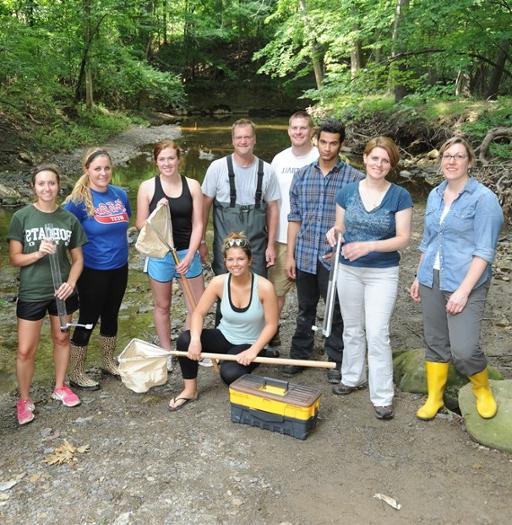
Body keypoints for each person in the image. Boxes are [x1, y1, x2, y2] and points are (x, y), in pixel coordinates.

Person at [410, 136, 503, 420]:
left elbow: (484, 251)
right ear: (440, 162)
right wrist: (418, 276)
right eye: (447, 156)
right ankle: (435, 398)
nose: (451, 161)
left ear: (469, 162)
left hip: (467, 281)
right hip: (431, 277)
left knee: (463, 349)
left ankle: (482, 389)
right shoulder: (436, 194)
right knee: (435, 341)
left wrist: (463, 291)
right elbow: (429, 240)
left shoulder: (483, 199)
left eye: (459, 156)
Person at [326, 137, 413, 420]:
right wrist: (334, 233)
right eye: (374, 158)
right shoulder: (347, 192)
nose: (379, 164)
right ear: (364, 159)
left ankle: (383, 395)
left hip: (382, 273)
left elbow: (402, 239)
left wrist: (369, 246)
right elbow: (340, 227)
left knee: (377, 332)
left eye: (385, 160)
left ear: (391, 165)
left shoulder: (400, 196)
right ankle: (352, 377)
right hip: (348, 269)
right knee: (352, 328)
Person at [284, 119, 364, 383]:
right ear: (316, 141)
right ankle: (300, 355)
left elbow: (360, 221)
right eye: (323, 142)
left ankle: (336, 360)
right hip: (305, 253)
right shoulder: (302, 176)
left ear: (341, 144)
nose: (327, 148)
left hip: (335, 259)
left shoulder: (355, 179)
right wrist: (290, 255)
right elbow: (294, 218)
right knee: (305, 308)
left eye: (334, 143)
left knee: (336, 310)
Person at [8, 165, 86, 425]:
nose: (46, 188)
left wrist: (72, 283)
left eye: (51, 183)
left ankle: (60, 387)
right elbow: (15, 258)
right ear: (34, 187)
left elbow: (77, 259)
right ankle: (24, 399)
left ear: (58, 185)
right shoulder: (22, 217)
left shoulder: (69, 220)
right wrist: (38, 253)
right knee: (25, 350)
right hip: (31, 292)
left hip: (61, 292)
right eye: (41, 184)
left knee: (62, 339)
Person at [169, 232, 278, 411]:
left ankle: (255, 361)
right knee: (185, 339)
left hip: (249, 343)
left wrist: (254, 350)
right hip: (225, 337)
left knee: (229, 374)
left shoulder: (265, 287)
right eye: (230, 260)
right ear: (225, 261)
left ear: (250, 260)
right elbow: (198, 313)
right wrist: (196, 340)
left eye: (240, 259)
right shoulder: (218, 283)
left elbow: (272, 325)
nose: (235, 264)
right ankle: (190, 390)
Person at [64, 148, 131, 390]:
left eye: (106, 168)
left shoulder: (120, 195)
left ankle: (107, 361)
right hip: (92, 270)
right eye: (97, 169)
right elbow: (61, 227)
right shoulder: (77, 201)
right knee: (88, 319)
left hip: (120, 266)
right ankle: (77, 372)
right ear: (87, 170)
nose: (103, 173)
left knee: (111, 315)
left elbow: (126, 224)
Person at [136, 140, 204, 369]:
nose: (167, 163)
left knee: (196, 305)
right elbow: (140, 225)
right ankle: (166, 351)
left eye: (171, 158)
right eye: (162, 159)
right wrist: (158, 211)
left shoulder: (193, 186)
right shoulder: (147, 187)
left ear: (178, 159)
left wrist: (190, 254)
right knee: (162, 305)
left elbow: (199, 224)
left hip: (187, 252)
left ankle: (188, 347)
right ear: (156, 162)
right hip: (160, 253)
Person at [200, 119, 280, 279]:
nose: (243, 141)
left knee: (257, 289)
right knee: (224, 289)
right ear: (233, 140)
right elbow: (204, 206)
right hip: (224, 245)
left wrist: (271, 245)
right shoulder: (217, 167)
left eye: (247, 137)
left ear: (254, 139)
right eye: (239, 137)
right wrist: (201, 242)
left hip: (257, 246)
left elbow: (273, 208)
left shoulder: (267, 170)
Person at [268, 110, 318, 347]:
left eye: (303, 128)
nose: (298, 132)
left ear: (311, 131)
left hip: (311, 240)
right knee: (276, 291)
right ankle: (271, 334)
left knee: (308, 296)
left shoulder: (320, 158)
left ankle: (306, 339)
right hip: (280, 237)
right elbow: (272, 201)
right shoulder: (279, 160)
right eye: (294, 128)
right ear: (289, 131)